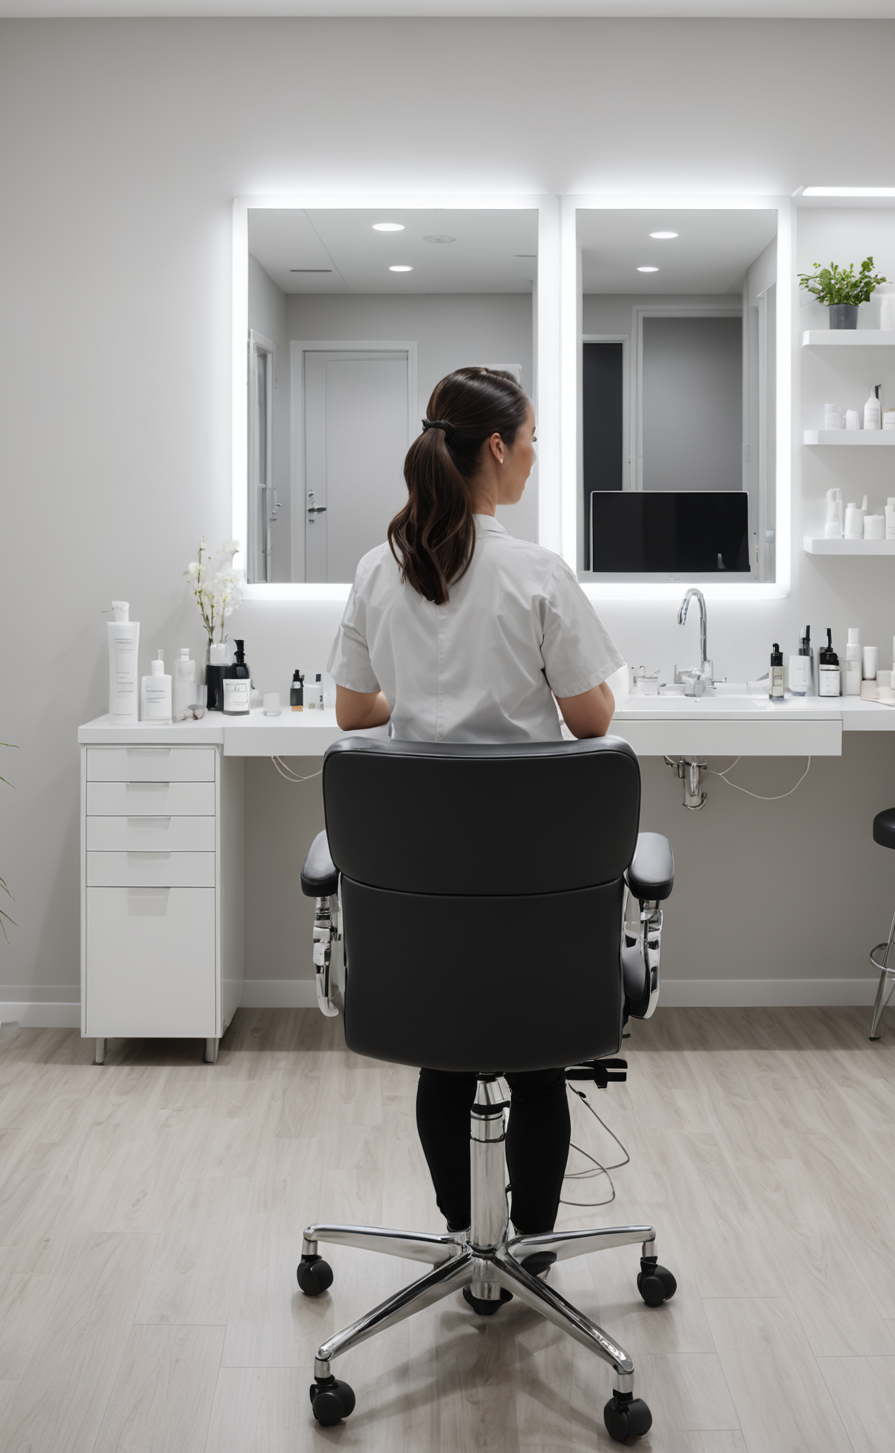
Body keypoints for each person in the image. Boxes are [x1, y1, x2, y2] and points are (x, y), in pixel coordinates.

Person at [325, 366, 625, 1242]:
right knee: (537, 1065)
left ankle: (465, 1237)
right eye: (531, 441)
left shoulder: (380, 570)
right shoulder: (536, 573)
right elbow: (592, 718)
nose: (534, 458)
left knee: (443, 1059)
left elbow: (352, 713)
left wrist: (419, 705)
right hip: (536, 908)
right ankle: (528, 1247)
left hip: (422, 920)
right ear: (496, 447)